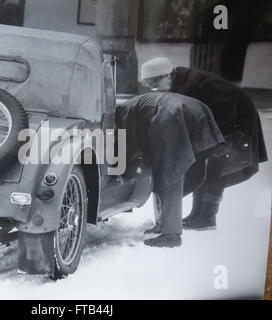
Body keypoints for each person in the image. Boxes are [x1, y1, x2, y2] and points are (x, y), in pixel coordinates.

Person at [139, 57, 268, 231]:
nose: (152, 89)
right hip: (218, 121)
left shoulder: (196, 82)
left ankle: (207, 217)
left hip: (236, 119)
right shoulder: (180, 83)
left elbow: (226, 105)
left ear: (165, 76)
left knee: (219, 167)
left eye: (153, 83)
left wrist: (219, 138)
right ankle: (196, 214)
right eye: (148, 85)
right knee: (203, 165)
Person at [115, 84, 224, 248]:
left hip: (173, 114)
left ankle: (171, 235)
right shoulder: (133, 103)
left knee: (169, 173)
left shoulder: (121, 110)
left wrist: (118, 166)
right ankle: (164, 224)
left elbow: (127, 141)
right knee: (170, 171)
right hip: (194, 109)